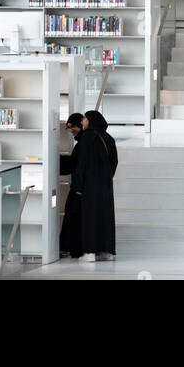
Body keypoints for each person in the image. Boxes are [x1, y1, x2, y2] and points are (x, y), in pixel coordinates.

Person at [72, 110, 118, 262]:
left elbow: (82, 163)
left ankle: (90, 252)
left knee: (90, 216)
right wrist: (106, 177)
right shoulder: (109, 138)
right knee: (105, 216)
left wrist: (78, 185)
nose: (82, 122)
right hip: (105, 184)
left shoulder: (87, 137)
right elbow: (114, 162)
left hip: (90, 184)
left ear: (91, 120)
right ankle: (106, 251)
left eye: (84, 119)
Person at [57, 113, 85, 257]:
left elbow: (78, 167)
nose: (71, 130)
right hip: (78, 188)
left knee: (72, 218)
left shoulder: (84, 143)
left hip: (80, 190)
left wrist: (79, 189)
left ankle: (68, 248)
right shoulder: (81, 143)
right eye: (68, 128)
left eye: (73, 126)